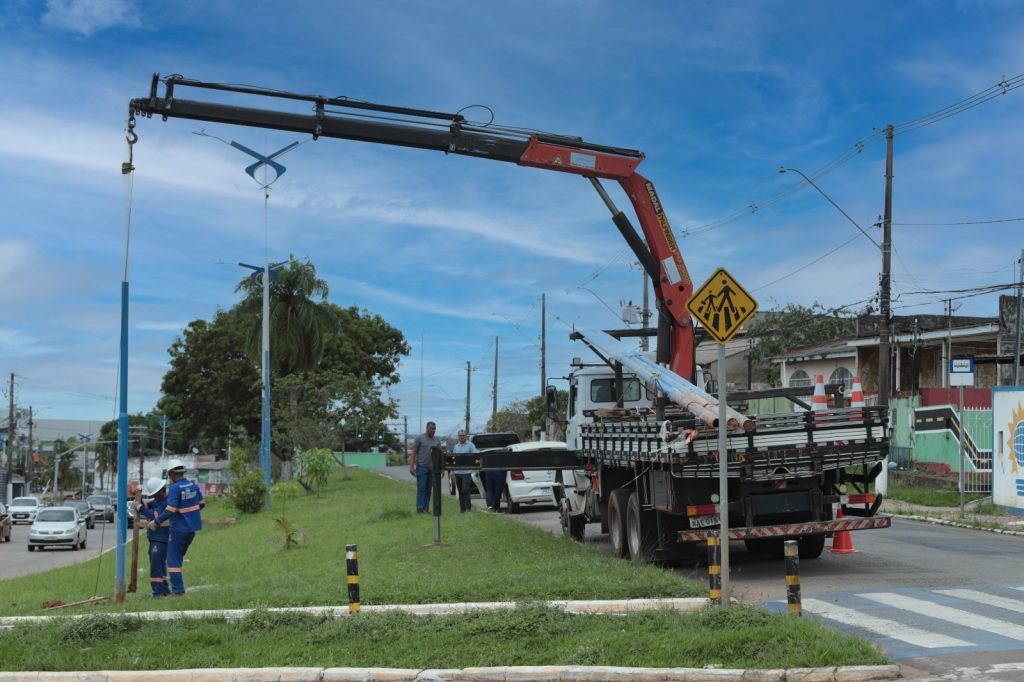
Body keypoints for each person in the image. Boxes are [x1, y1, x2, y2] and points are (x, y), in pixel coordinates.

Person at [150, 459, 204, 596]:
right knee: (178, 557)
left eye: (169, 474)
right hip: (192, 528)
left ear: (172, 473)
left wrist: (156, 522)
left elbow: (170, 509)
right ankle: (177, 589)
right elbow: (202, 503)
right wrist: (190, 512)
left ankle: (178, 591)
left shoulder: (175, 488)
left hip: (179, 529)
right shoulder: (192, 485)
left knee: (172, 560)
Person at [137, 477, 170, 598]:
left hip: (160, 539)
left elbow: (153, 515)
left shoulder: (166, 502)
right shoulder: (157, 501)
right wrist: (139, 498)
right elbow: (147, 504)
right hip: (155, 539)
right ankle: (165, 591)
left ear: (162, 490)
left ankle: (157, 593)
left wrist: (141, 508)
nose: (154, 497)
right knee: (160, 567)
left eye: (156, 494)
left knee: (156, 567)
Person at [409, 421, 442, 514]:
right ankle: (419, 508)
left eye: (435, 429)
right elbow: (414, 452)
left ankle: (426, 508)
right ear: (427, 428)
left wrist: (441, 468)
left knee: (428, 489)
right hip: (422, 467)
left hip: (433, 468)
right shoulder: (420, 438)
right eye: (432, 428)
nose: (434, 430)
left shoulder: (437, 440)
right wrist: (411, 466)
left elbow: (440, 454)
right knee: (421, 488)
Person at [451, 430, 477, 513]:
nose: (462, 437)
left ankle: (468, 509)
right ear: (458, 436)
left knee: (466, 490)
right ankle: (462, 509)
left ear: (466, 436)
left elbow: (476, 457)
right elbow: (453, 459)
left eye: (463, 435)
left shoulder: (471, 445)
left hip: (467, 472)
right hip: (457, 473)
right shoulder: (456, 446)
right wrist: (452, 470)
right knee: (460, 492)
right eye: (460, 435)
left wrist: (476, 469)